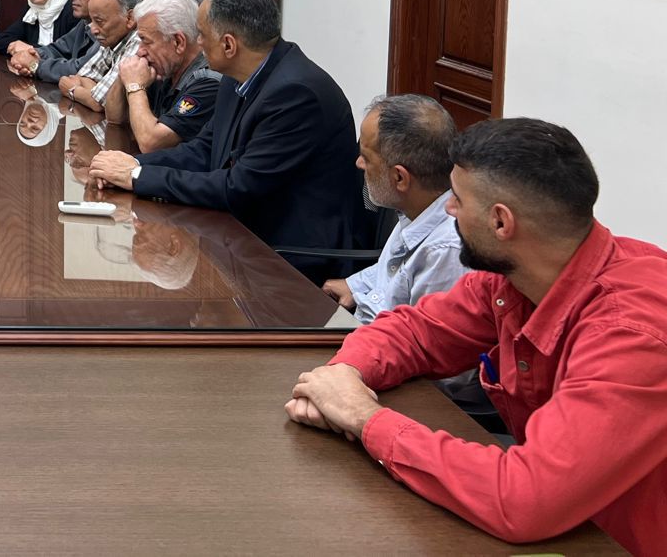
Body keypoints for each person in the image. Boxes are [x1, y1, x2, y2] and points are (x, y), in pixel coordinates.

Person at [284, 119, 667, 553]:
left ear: (500, 222)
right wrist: (344, 375)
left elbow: (525, 499)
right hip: (573, 527)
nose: (448, 210)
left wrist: (363, 417)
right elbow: (416, 331)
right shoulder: (516, 276)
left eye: (458, 199)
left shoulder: (632, 334)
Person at [88, 0, 366, 251]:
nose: (197, 42)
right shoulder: (237, 77)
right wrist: (131, 164)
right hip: (243, 235)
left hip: (290, 253)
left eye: (202, 35)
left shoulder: (296, 94)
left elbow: (239, 188)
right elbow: (204, 150)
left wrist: (137, 176)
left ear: (229, 45)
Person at [321, 94, 467, 322]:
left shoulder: (444, 253)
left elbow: (416, 337)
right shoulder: (416, 209)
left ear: (399, 177)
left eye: (366, 157)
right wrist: (354, 284)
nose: (359, 163)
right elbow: (393, 273)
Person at [115, 0, 222, 151]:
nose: (140, 51)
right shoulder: (164, 68)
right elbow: (115, 118)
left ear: (178, 42)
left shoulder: (208, 82)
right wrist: (125, 73)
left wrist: (134, 86)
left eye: (146, 41)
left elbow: (150, 143)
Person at [8, 0, 121, 84]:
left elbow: (82, 68)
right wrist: (33, 54)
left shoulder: (113, 25)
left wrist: (35, 65)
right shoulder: (85, 22)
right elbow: (58, 49)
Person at [57, 0, 143, 117]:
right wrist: (94, 96)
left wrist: (73, 90)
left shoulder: (140, 41)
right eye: (92, 21)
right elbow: (83, 77)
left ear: (130, 18)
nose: (93, 30)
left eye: (99, 21)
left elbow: (103, 104)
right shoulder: (112, 39)